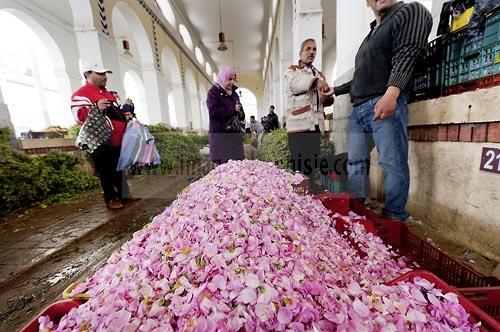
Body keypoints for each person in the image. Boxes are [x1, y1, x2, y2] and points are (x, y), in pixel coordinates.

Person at [334, 0, 432, 220]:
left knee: (391, 162)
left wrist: (392, 93)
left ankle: (394, 217)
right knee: (356, 163)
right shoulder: (370, 35)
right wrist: (334, 90)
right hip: (358, 109)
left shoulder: (409, 11)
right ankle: (356, 210)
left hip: (383, 102)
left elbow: (407, 54)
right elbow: (361, 76)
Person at [71, 63, 139, 209]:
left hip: (117, 139)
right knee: (105, 170)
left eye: (105, 74)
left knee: (119, 169)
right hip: (99, 140)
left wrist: (125, 115)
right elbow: (78, 117)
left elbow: (114, 114)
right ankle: (110, 198)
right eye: (100, 74)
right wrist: (95, 108)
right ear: (88, 74)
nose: (104, 77)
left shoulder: (108, 93)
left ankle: (124, 195)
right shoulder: (81, 94)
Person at [285, 38, 334, 192]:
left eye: (314, 49)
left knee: (312, 164)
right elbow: (294, 84)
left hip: (315, 126)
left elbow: (324, 98)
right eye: (308, 49)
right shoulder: (292, 71)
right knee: (300, 167)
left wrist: (327, 98)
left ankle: (311, 198)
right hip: (299, 127)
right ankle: (300, 197)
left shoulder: (319, 74)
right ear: (301, 53)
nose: (312, 52)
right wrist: (315, 82)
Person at [206, 66, 245, 165]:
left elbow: (240, 112)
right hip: (221, 137)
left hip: (234, 136)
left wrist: (240, 113)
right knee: (224, 169)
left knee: (237, 167)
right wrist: (232, 109)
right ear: (222, 78)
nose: (232, 82)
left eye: (233, 79)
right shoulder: (213, 93)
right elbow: (213, 112)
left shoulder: (234, 94)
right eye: (229, 79)